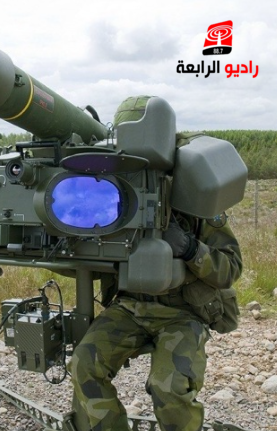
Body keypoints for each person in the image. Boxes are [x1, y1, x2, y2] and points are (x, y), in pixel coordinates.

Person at [69, 96, 243, 431]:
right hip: (130, 307)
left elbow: (230, 268)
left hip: (182, 313)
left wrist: (191, 249)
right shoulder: (109, 191)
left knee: (169, 387)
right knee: (84, 365)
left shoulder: (195, 195)